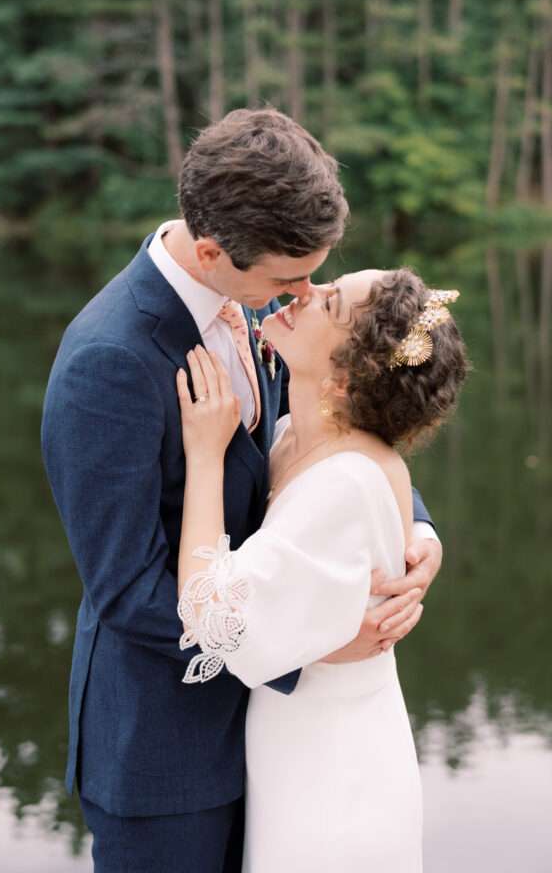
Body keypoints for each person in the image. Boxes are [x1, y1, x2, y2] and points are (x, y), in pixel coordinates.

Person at [41, 108, 443, 873]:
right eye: (289, 278)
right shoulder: (109, 362)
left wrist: (415, 535)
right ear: (213, 250)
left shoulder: (256, 305)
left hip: (282, 752)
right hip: (169, 756)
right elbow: (126, 592)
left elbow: (336, 429)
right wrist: (307, 646)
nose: (306, 294)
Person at [176, 269, 468, 871]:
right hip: (298, 746)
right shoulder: (293, 432)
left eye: (329, 300)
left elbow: (211, 618)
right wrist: (420, 529)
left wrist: (205, 457)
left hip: (332, 776)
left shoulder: (341, 483)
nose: (306, 288)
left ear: (341, 379)